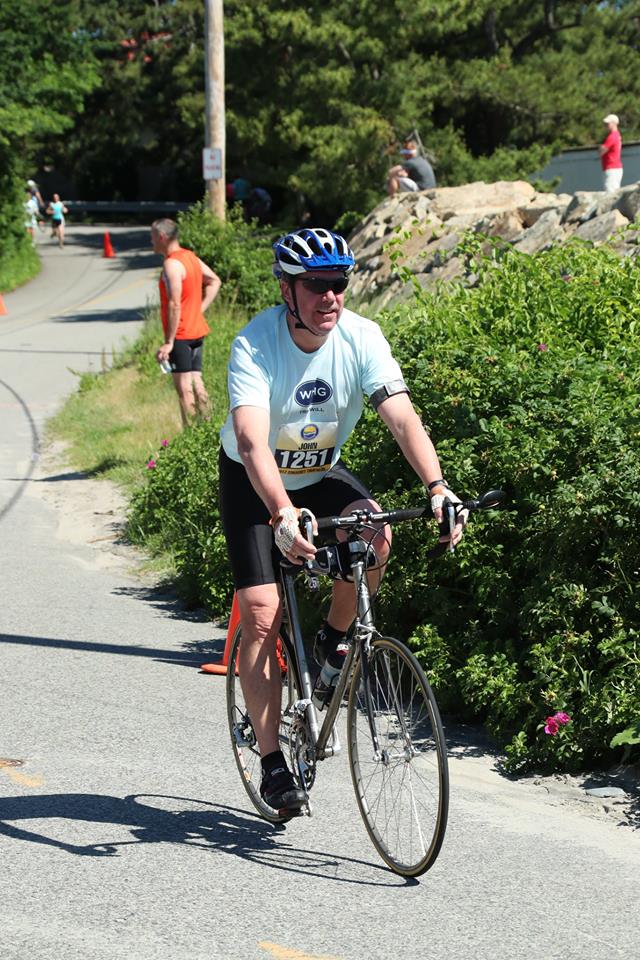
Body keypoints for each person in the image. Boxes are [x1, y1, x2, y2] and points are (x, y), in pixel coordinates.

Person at [218, 227, 466, 812]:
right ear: (287, 290)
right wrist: (281, 512)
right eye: (316, 285)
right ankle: (273, 762)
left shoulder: (361, 336)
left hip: (320, 473)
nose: (330, 297)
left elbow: (402, 418)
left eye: (339, 284)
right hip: (256, 483)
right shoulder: (255, 344)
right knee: (262, 613)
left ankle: (332, 645)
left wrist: (437, 486)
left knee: (375, 536)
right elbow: (252, 443)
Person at [151, 218, 222, 426]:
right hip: (197, 331)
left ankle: (190, 432)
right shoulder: (190, 257)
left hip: (181, 334)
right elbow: (214, 281)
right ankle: (209, 427)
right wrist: (198, 310)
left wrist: (169, 342)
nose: (151, 241)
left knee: (184, 388)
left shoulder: (171, 264)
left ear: (162, 237)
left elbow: (174, 303)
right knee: (196, 381)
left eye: (152, 236)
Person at [600, 114, 623, 193]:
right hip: (613, 168)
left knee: (610, 193)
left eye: (608, 123)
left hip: (612, 168)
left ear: (614, 123)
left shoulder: (612, 136)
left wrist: (601, 148)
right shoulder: (616, 135)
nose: (606, 125)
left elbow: (602, 150)